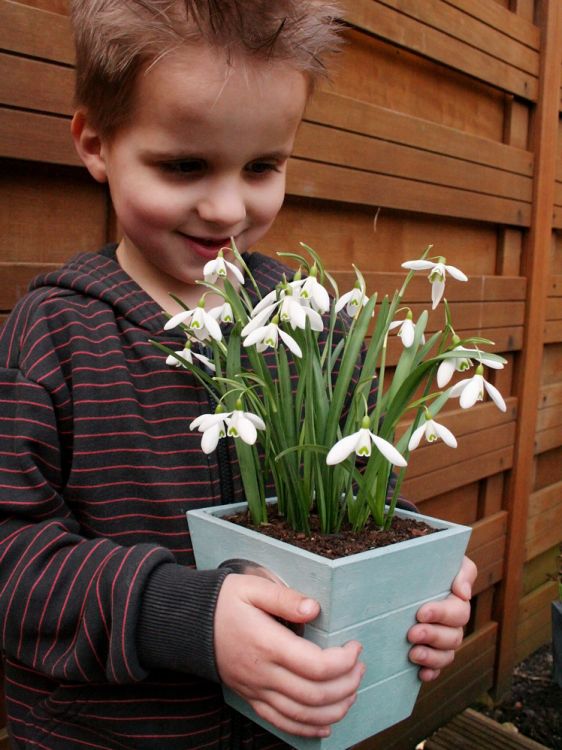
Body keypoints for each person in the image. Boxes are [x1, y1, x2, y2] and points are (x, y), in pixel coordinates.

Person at [0, 2, 477, 748]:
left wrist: (422, 585)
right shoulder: (57, 336)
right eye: (184, 165)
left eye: (262, 166)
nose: (226, 208)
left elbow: (365, 503)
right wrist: (182, 615)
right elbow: (11, 555)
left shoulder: (324, 334)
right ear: (96, 143)